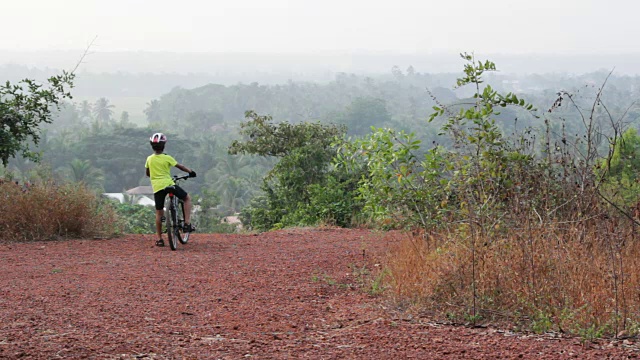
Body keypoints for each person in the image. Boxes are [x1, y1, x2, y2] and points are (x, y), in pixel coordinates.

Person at [145, 132, 196, 247]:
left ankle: (159, 239)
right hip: (169, 184)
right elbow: (180, 166)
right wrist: (190, 172)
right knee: (187, 198)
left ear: (152, 146)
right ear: (164, 146)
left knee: (159, 213)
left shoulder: (149, 159)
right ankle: (187, 223)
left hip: (157, 187)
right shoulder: (167, 158)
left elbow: (148, 173)